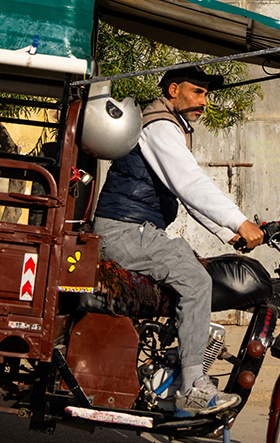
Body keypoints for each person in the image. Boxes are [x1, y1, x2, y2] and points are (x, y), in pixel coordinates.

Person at [91, 65, 264, 415]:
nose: (204, 101)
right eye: (196, 92)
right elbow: (190, 184)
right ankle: (192, 385)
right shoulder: (159, 126)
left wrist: (228, 231)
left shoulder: (166, 124)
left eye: (205, 94)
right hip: (123, 231)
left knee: (189, 262)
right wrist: (239, 221)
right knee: (197, 281)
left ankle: (171, 368)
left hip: (136, 230)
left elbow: (182, 192)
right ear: (173, 91)